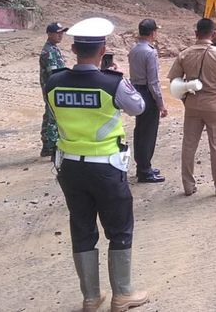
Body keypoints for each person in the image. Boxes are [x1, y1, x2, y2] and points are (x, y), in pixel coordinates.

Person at [45, 17, 148, 312]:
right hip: (106, 167)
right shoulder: (111, 83)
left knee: (81, 227)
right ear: (103, 50)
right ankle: (122, 294)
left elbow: (54, 112)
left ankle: (91, 298)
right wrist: (117, 78)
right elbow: (138, 107)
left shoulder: (54, 82)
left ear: (74, 48)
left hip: (69, 169)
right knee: (119, 228)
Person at [167, 18, 216, 197]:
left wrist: (185, 100)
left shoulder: (184, 54)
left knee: (189, 146)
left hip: (192, 106)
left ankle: (188, 186)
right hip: (215, 106)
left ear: (196, 33)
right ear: (213, 33)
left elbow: (174, 82)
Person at [128, 19, 167, 183]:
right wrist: (161, 103)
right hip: (147, 93)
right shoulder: (150, 52)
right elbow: (153, 82)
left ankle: (142, 166)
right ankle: (145, 170)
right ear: (152, 33)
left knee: (140, 131)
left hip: (136, 91)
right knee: (148, 133)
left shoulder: (134, 49)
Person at [40, 22, 69, 157]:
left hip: (53, 88)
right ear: (50, 34)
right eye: (58, 33)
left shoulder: (53, 48)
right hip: (53, 89)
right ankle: (52, 147)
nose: (60, 35)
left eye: (61, 33)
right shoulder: (49, 51)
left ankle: (47, 145)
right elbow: (54, 74)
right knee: (53, 117)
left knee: (49, 116)